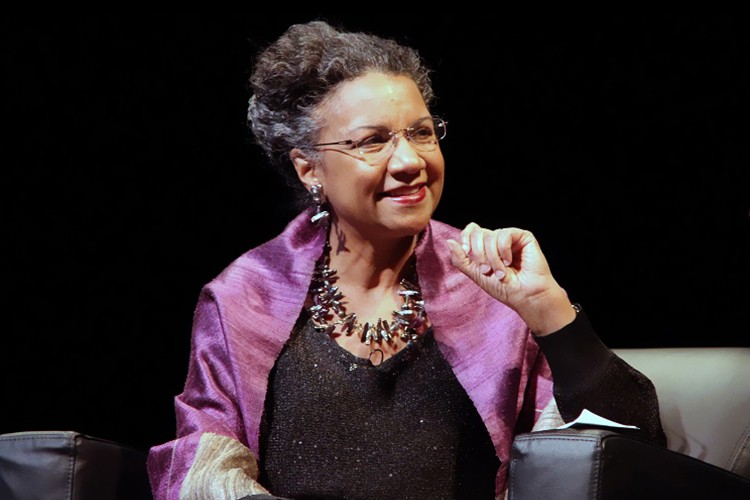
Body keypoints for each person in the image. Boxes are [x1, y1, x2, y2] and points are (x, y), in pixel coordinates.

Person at [147, 20, 666, 499]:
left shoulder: (489, 282)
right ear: (309, 169)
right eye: (373, 141)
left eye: (421, 132)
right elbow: (203, 466)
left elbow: (631, 444)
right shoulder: (245, 295)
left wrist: (547, 309)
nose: (410, 161)